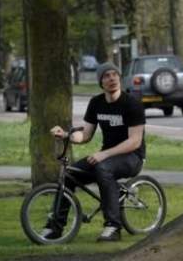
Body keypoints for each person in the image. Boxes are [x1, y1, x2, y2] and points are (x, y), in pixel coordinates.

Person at [45, 62, 145, 243]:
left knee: (103, 169)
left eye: (115, 74)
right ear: (101, 82)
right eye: (107, 76)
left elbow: (134, 141)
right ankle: (55, 228)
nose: (112, 78)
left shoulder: (132, 104)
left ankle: (113, 227)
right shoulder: (96, 103)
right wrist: (66, 135)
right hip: (106, 157)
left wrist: (104, 154)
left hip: (133, 157)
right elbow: (85, 135)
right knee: (70, 174)